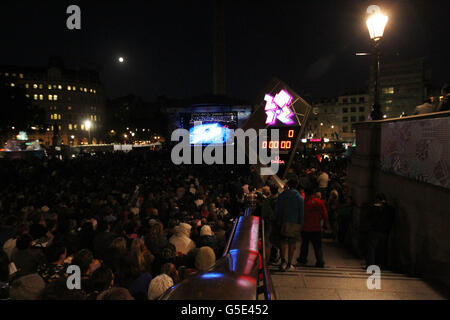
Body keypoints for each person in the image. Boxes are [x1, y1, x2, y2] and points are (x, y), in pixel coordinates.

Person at [275, 179, 304, 271]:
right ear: (296, 185)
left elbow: (277, 209)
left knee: (283, 241)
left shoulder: (282, 195)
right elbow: (301, 212)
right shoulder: (299, 197)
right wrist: (301, 223)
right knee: (292, 243)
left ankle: (283, 261)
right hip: (295, 222)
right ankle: (289, 263)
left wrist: (278, 220)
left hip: (283, 221)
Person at [298, 188, 329, 268]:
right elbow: (325, 214)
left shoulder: (304, 203)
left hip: (306, 227)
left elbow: (301, 215)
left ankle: (302, 259)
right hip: (316, 227)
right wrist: (325, 224)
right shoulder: (319, 202)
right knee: (317, 246)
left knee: (304, 245)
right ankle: (320, 261)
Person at [366, 193, 395, 269]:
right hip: (384, 232)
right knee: (382, 249)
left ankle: (371, 265)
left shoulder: (374, 208)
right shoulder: (390, 209)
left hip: (375, 230)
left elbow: (369, 217)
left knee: (372, 249)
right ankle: (381, 265)